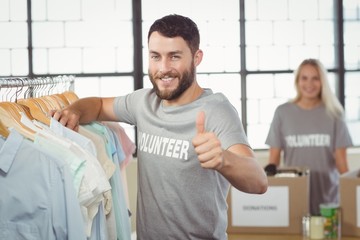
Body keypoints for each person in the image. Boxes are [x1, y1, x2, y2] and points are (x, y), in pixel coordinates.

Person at [50, 14, 268, 239]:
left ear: (197, 57)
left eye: (174, 57)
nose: (163, 68)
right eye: (156, 56)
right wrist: (74, 110)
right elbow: (97, 105)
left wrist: (224, 159)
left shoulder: (216, 110)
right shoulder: (143, 102)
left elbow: (259, 182)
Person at [265, 58, 353, 215]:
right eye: (304, 78)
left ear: (322, 82)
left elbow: (342, 165)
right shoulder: (282, 113)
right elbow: (273, 163)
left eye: (315, 78)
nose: (309, 84)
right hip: (294, 198)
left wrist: (354, 194)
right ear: (297, 81)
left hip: (328, 202)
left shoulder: (335, 114)